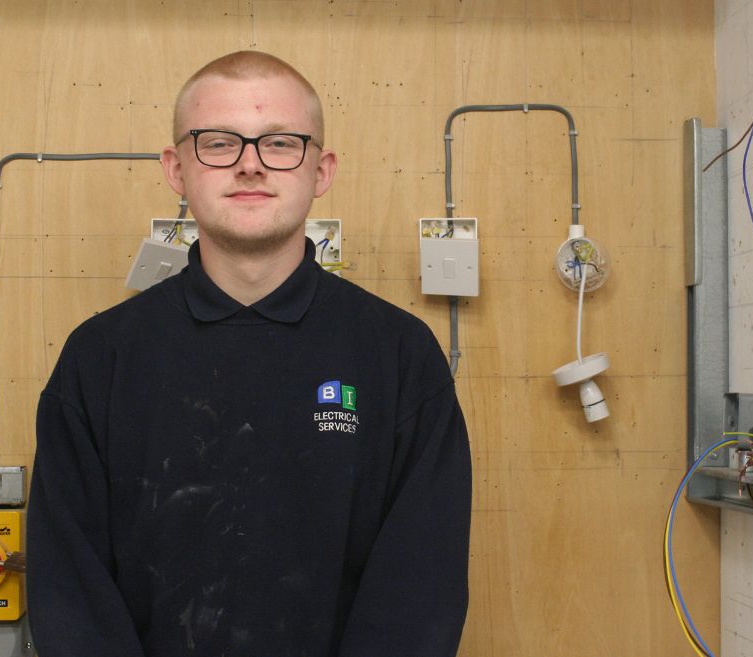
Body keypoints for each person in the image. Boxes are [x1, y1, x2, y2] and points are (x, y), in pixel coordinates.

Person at [26, 50, 472, 657]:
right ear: (176, 168)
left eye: (281, 143)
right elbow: (68, 588)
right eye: (218, 142)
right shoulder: (100, 358)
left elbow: (421, 588)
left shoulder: (398, 355)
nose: (250, 166)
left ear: (321, 170)